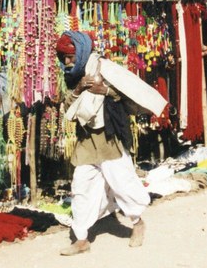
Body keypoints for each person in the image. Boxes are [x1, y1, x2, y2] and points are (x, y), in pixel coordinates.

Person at [56, 30, 166, 256]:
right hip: (86, 141)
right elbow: (68, 106)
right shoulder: (74, 76)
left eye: (70, 56)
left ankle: (137, 223)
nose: (67, 62)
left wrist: (104, 90)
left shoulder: (105, 68)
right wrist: (78, 89)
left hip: (108, 137)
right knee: (81, 187)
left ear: (82, 51)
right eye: (64, 58)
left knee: (122, 183)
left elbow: (131, 95)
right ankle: (82, 239)